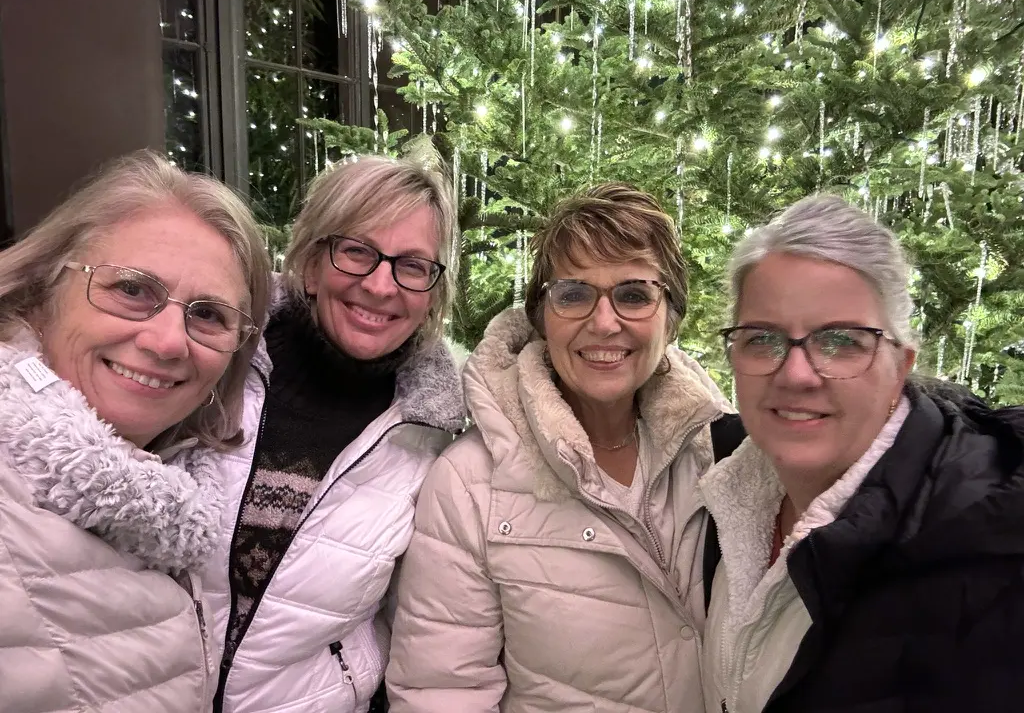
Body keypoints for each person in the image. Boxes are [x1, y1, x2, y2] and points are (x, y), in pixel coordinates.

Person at [387, 183, 732, 713]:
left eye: (634, 294)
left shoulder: (722, 453)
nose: (604, 322)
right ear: (541, 317)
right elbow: (441, 692)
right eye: (573, 294)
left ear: (672, 316)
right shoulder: (471, 484)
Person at [700, 195, 1024, 713]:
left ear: (900, 367)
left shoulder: (988, 553)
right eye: (762, 338)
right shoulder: (725, 493)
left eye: (842, 342)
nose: (796, 375)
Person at [0, 150, 271, 712]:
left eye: (208, 314)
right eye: (131, 289)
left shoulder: (176, 493)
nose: (167, 341)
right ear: (44, 292)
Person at [201, 155, 465, 712]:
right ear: (311, 261)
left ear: (432, 293)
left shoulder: (437, 434)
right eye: (357, 251)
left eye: (413, 265)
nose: (381, 285)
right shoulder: (209, 363)